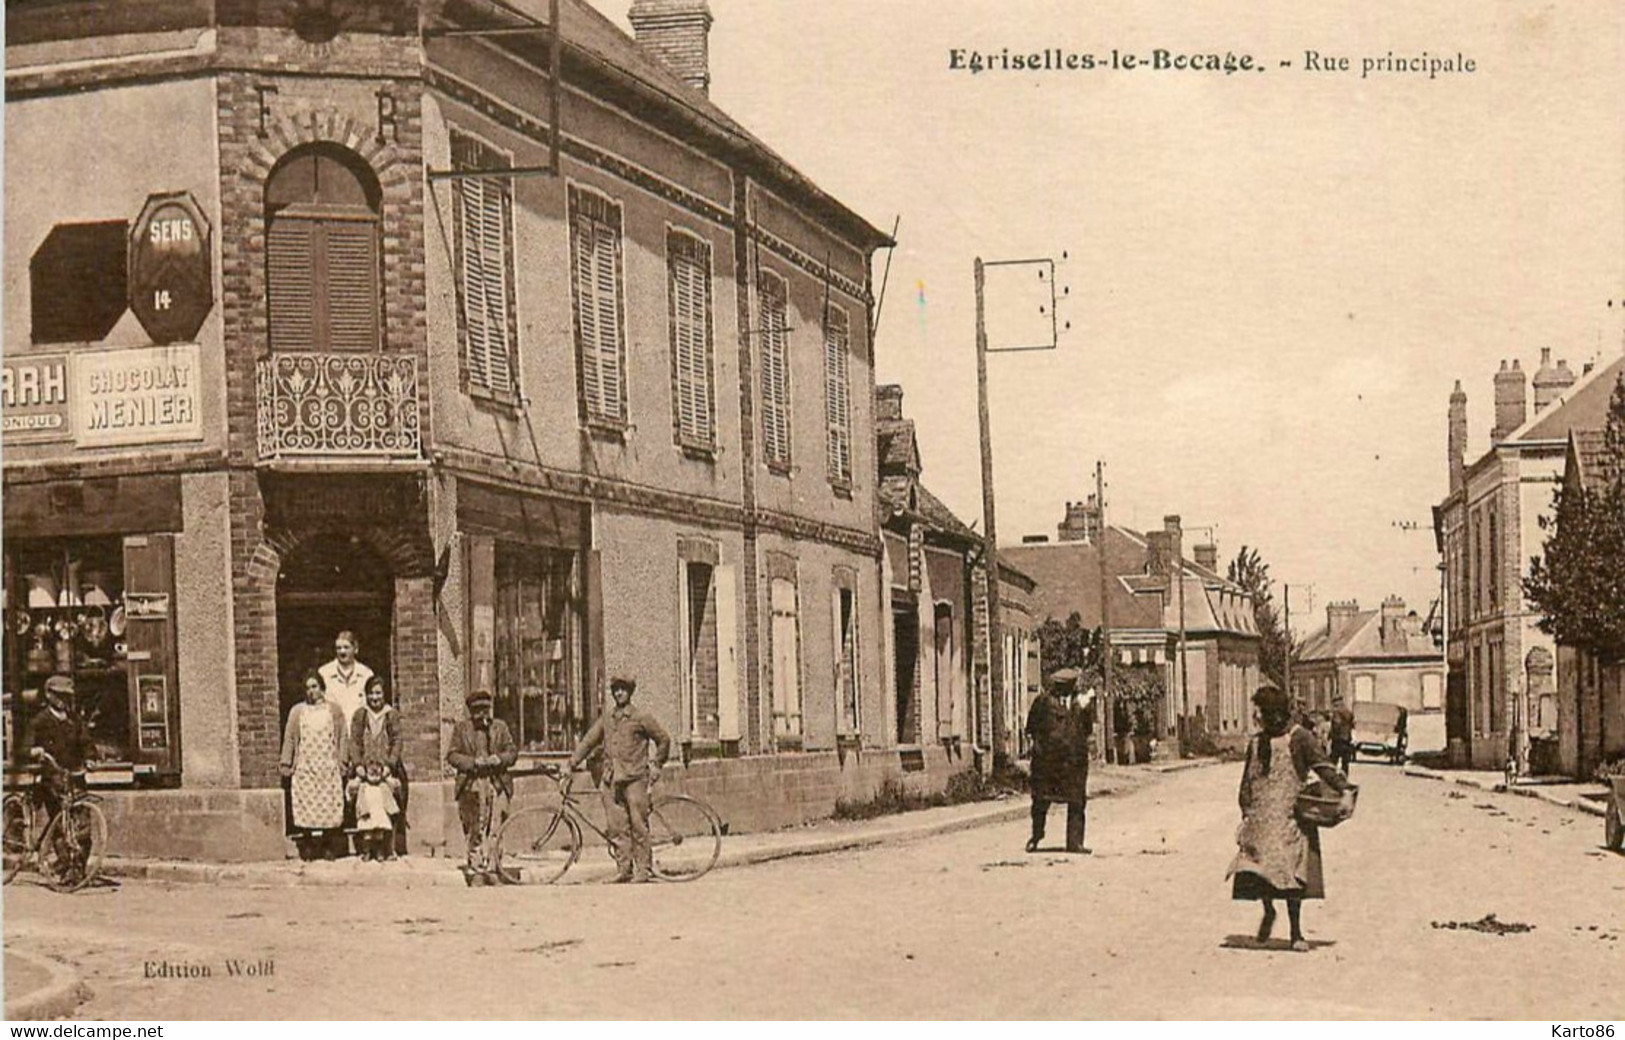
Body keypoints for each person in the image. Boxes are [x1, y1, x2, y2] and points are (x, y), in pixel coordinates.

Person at [1228, 686, 1354, 952]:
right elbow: (1246, 783)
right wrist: (1245, 814)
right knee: (1259, 871)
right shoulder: (1255, 743)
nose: (1255, 716)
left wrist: (1345, 791)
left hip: (1289, 821)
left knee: (1290, 876)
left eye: (1259, 710)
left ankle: (1296, 932)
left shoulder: (1300, 738)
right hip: (1261, 820)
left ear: (1273, 714)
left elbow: (1324, 767)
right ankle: (1268, 911)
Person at [567, 676, 672, 883]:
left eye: (623, 690)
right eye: (615, 690)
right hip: (612, 779)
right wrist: (572, 762)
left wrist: (657, 764)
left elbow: (663, 739)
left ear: (630, 692)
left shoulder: (641, 717)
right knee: (616, 827)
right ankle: (624, 869)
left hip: (635, 778)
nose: (619, 694)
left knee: (638, 825)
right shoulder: (607, 719)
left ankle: (643, 869)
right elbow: (589, 740)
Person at [1024, 668, 1096, 854]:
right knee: (1040, 801)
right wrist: (1039, 747)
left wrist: (1083, 710)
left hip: (1073, 762)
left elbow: (1087, 729)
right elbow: (1031, 727)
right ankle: (1036, 836)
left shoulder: (1081, 704)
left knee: (1077, 802)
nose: (1065, 690)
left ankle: (1075, 843)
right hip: (1047, 762)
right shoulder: (1043, 702)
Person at [447, 689, 517, 879]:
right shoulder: (461, 729)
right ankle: (476, 866)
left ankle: (494, 866)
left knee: (496, 826)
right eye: (477, 710)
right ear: (470, 711)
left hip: (497, 782)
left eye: (485, 709)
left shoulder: (500, 728)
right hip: (472, 783)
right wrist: (472, 762)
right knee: (475, 826)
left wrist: (499, 759)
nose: (482, 714)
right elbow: (452, 755)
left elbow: (512, 752)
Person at [279, 670, 348, 860]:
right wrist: (286, 762)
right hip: (305, 767)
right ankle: (308, 845)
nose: (311, 691)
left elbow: (342, 736)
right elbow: (290, 738)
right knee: (306, 805)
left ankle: (328, 846)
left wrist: (342, 761)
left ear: (322, 688)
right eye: (307, 688)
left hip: (327, 766)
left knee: (329, 805)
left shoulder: (334, 710)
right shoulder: (297, 711)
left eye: (314, 687)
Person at [347, 674, 405, 859]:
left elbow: (396, 741)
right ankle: (366, 847)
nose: (375, 698)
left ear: (384, 694)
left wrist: (390, 765)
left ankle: (387, 847)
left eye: (378, 693)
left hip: (386, 769)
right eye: (371, 694)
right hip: (364, 769)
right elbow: (354, 742)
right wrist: (358, 766)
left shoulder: (391, 715)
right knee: (364, 800)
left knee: (390, 798)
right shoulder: (360, 714)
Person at [318, 631, 374, 728]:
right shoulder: (324, 673)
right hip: (333, 731)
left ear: (355, 649)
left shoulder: (366, 674)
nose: (342, 652)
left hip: (358, 733)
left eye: (346, 647)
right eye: (339, 648)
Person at [347, 761, 399, 862]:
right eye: (371, 774)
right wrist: (358, 777)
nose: (374, 777)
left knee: (380, 833)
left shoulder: (383, 785)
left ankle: (379, 852)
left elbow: (396, 786)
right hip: (368, 814)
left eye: (377, 774)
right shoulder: (363, 786)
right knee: (368, 834)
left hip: (380, 814)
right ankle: (367, 852)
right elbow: (351, 787)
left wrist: (387, 777)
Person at [1329, 695, 1356, 774]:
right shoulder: (1348, 712)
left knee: (1333, 761)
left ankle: (1332, 778)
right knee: (1345, 763)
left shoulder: (1336, 712)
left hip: (1338, 740)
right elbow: (1352, 724)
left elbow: (1336, 725)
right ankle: (1344, 778)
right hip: (1347, 740)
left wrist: (1331, 735)